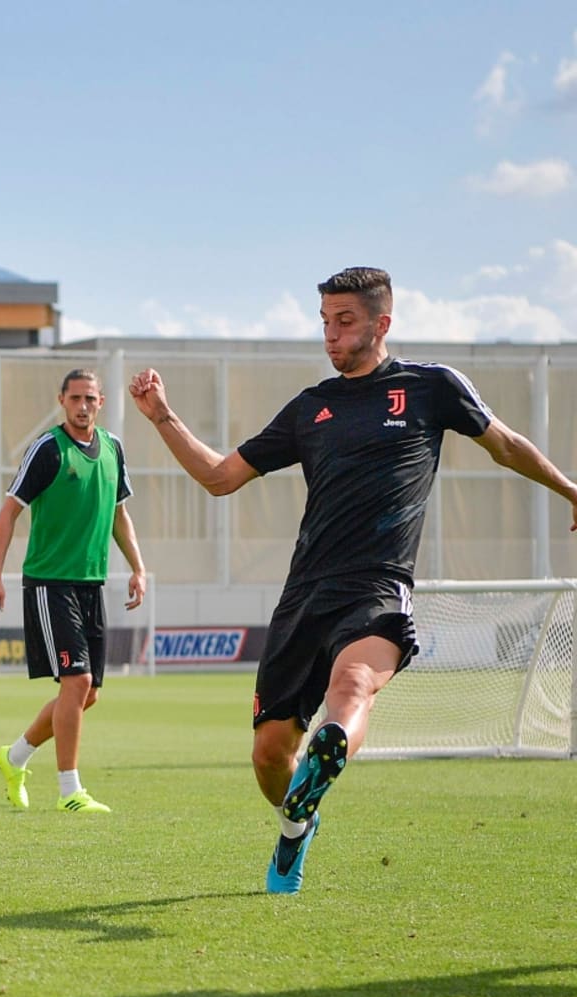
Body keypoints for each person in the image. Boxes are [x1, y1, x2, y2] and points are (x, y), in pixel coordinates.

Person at [129, 267, 577, 895]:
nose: (331, 336)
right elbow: (221, 476)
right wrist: (162, 416)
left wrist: (569, 489)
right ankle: (297, 824)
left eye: (344, 322)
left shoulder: (430, 389)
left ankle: (333, 743)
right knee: (267, 755)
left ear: (381, 323)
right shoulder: (311, 408)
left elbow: (505, 445)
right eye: (325, 324)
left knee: (354, 684)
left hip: (378, 585)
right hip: (304, 593)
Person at [0, 367, 146, 814]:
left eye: (90, 399)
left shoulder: (113, 448)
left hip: (91, 585)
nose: (82, 406)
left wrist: (138, 567)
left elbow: (118, 514)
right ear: (62, 400)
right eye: (75, 398)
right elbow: (8, 512)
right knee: (77, 681)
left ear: (101, 402)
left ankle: (13, 757)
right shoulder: (46, 449)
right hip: (49, 583)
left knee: (87, 692)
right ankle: (69, 790)